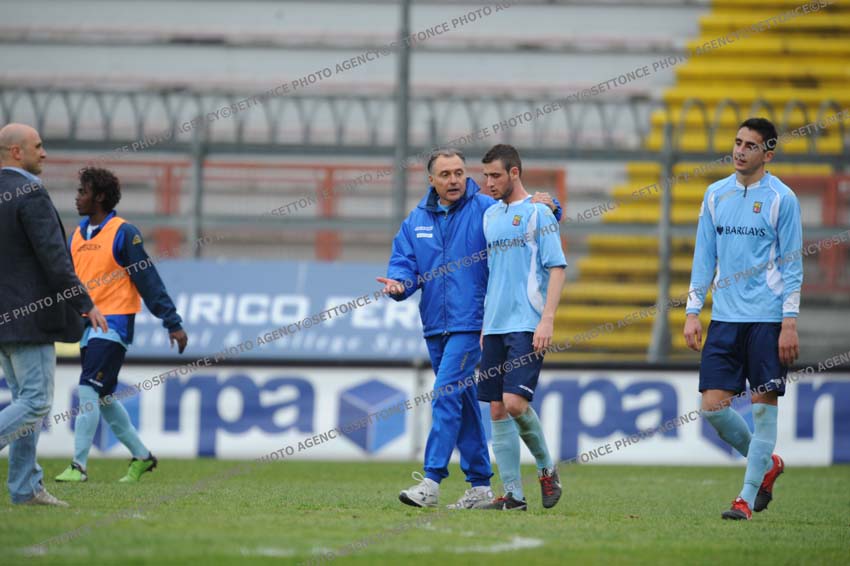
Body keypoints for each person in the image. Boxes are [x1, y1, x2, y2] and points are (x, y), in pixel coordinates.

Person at [378, 148, 562, 509]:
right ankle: (479, 485)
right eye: (445, 174)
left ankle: (431, 481)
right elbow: (404, 264)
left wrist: (552, 205)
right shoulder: (416, 221)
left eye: (459, 173)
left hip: (473, 323)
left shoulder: (484, 208)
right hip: (435, 325)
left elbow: (527, 213)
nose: (454, 180)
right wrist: (399, 285)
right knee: (462, 402)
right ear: (431, 180)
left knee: (445, 393)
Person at [683, 117, 802, 521]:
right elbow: (703, 259)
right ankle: (766, 464)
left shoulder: (782, 199)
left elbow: (792, 265)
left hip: (767, 320)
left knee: (763, 409)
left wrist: (789, 321)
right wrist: (692, 311)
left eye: (750, 145)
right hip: (725, 318)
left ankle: (745, 500)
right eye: (737, 142)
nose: (739, 151)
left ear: (768, 154)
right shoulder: (715, 194)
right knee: (712, 408)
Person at [54, 167, 188, 484]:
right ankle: (142, 457)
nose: (77, 197)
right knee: (103, 398)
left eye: (83, 192)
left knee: (88, 388)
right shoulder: (76, 236)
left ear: (100, 196)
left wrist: (172, 321)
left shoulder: (124, 233)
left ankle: (78, 466)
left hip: (114, 324)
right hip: (87, 327)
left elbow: (148, 280)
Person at [0, 123, 108, 506]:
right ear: (17, 152)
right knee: (35, 403)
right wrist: (85, 303)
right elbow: (54, 258)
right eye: (38, 146)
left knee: (23, 400)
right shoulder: (29, 192)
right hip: (30, 319)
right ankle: (26, 486)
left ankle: (25, 488)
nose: (44, 152)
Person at [474, 144, 566, 511]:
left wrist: (547, 319)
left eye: (496, 175)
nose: (489, 182)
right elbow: (494, 273)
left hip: (527, 323)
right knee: (497, 409)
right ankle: (513, 495)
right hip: (495, 325)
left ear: (515, 173)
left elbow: (556, 267)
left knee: (514, 403)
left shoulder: (539, 213)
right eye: (486, 176)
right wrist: (485, 324)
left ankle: (546, 468)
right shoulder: (490, 216)